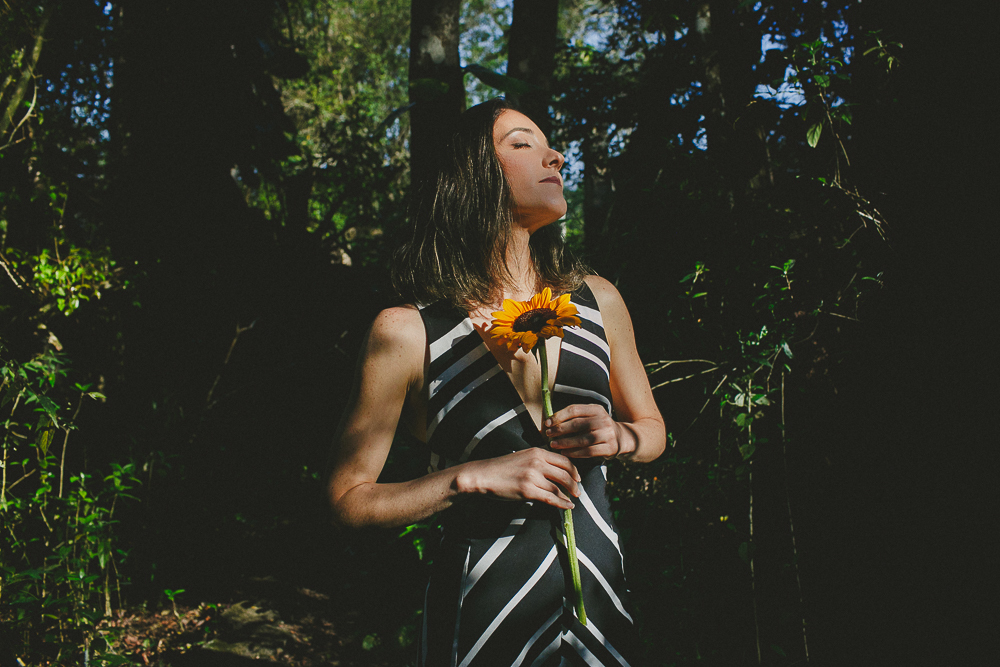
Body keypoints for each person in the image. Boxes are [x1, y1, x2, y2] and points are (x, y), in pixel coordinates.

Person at [326, 98, 665, 666]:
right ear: (472, 176)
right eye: (522, 142)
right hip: (482, 621)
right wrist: (471, 478)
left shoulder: (598, 300)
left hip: (602, 614)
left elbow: (653, 432)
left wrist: (620, 437)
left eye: (548, 144)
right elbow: (347, 499)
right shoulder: (408, 332)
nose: (555, 156)